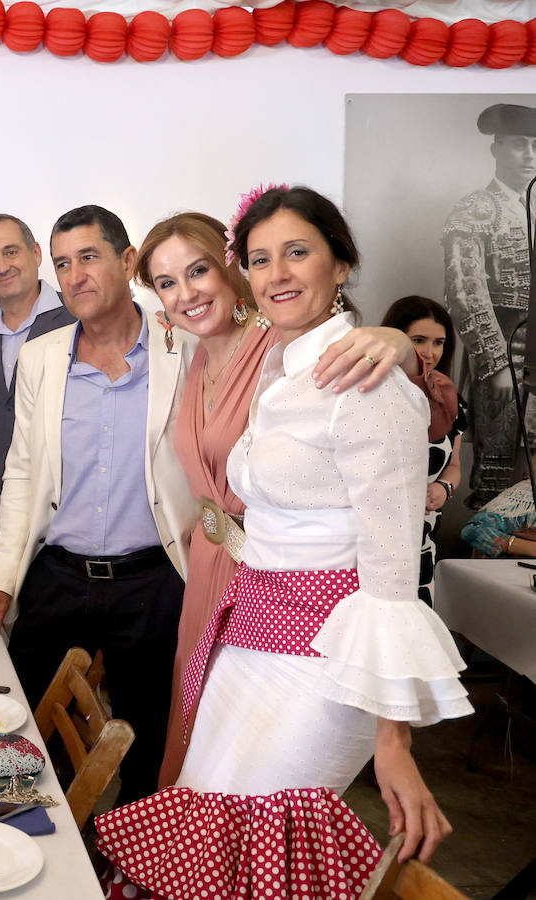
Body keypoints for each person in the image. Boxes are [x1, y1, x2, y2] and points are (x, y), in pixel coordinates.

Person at [95, 187, 471, 899]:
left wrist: (393, 742)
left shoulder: (368, 377)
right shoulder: (280, 372)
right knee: (206, 826)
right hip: (248, 629)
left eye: (298, 252)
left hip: (326, 657)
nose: (278, 273)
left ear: (341, 264)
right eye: (263, 258)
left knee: (266, 846)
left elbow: (390, 577)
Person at [136, 212, 418, 787]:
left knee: (258, 773)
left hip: (286, 590)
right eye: (167, 283)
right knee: (200, 745)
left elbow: (415, 415)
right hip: (217, 572)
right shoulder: (191, 359)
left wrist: (402, 347)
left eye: (199, 271)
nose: (186, 293)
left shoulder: (279, 341)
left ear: (229, 269)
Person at [0, 205, 197, 804]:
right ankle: (25, 843)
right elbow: (21, 471)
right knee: (22, 729)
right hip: (59, 576)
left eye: (88, 257)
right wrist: (1, 577)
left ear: (127, 260)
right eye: (63, 264)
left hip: (154, 581)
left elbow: (264, 343)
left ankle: (133, 871)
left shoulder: (183, 348)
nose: (74, 276)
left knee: (146, 739)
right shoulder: (45, 355)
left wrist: (393, 341)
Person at [441, 103, 536, 508]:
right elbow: (465, 292)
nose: (529, 154)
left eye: (535, 145)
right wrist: (495, 364)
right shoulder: (478, 208)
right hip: (504, 345)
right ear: (496, 148)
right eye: (518, 144)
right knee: (496, 465)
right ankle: (485, 561)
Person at [0, 214, 74, 563]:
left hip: (67, 533)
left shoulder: (79, 320)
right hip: (1, 533)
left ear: (37, 253)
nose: (1, 267)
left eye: (10, 252)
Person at [381, 296, 466, 606]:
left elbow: (454, 465)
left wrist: (443, 488)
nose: (430, 352)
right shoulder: (369, 396)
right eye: (418, 340)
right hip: (373, 548)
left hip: (422, 547)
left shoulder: (450, 399)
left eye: (439, 342)